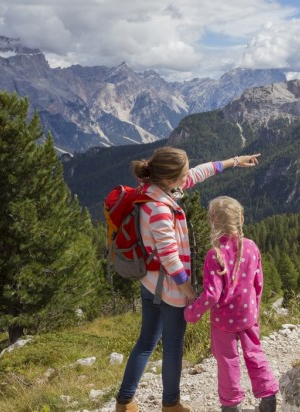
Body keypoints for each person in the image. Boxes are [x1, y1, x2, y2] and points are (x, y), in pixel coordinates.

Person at [115, 148, 261, 412]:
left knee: (146, 342)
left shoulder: (154, 189)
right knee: (172, 347)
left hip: (150, 281)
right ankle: (170, 404)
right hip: (169, 288)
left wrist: (235, 161)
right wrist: (190, 294)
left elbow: (199, 172)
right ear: (171, 179)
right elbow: (171, 260)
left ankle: (124, 401)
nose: (187, 179)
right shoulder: (159, 208)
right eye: (183, 176)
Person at [184, 196, 278, 412]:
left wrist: (192, 314)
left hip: (223, 321)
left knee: (227, 362)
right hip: (248, 317)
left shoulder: (214, 255)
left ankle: (231, 404)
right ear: (241, 219)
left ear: (213, 222)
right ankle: (269, 397)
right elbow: (258, 283)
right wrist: (255, 309)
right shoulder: (252, 247)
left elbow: (211, 295)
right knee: (255, 354)